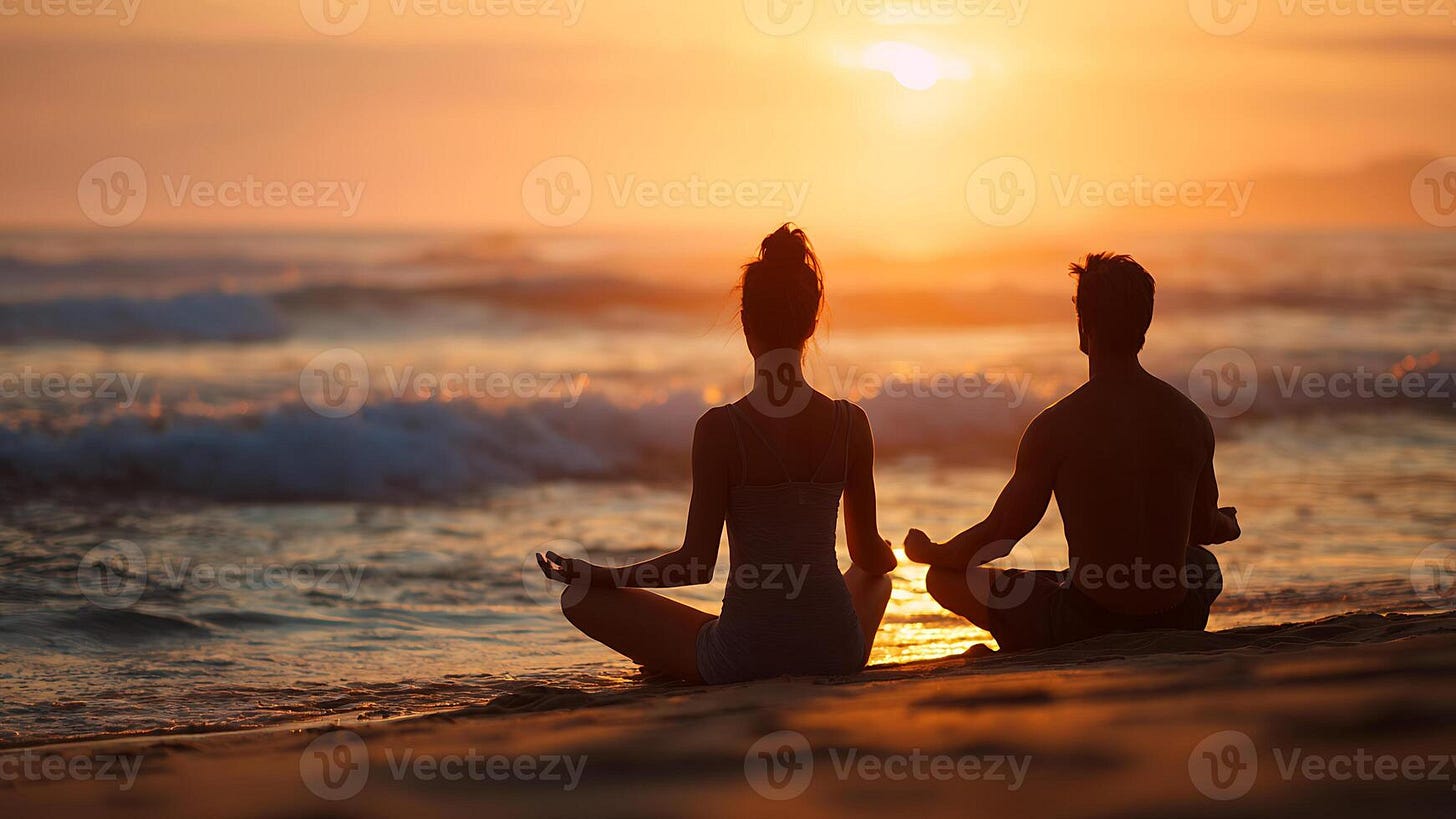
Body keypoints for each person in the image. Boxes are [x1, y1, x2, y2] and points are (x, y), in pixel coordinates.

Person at [538, 224, 897, 683]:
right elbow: (867, 557)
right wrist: (886, 555)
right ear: (811, 324)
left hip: (742, 660)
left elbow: (696, 564)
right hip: (836, 652)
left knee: (580, 598)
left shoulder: (720, 430)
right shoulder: (852, 424)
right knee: (876, 580)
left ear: (745, 321)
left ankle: (686, 653)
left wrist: (604, 574)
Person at [905, 252, 1240, 652]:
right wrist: (1227, 523)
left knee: (943, 579)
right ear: (1144, 328)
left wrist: (934, 552)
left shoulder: (1055, 427)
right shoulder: (1191, 420)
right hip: (1175, 617)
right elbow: (1203, 529)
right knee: (1205, 567)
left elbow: (1002, 535)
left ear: (1085, 328)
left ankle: (1018, 641)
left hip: (1086, 622)